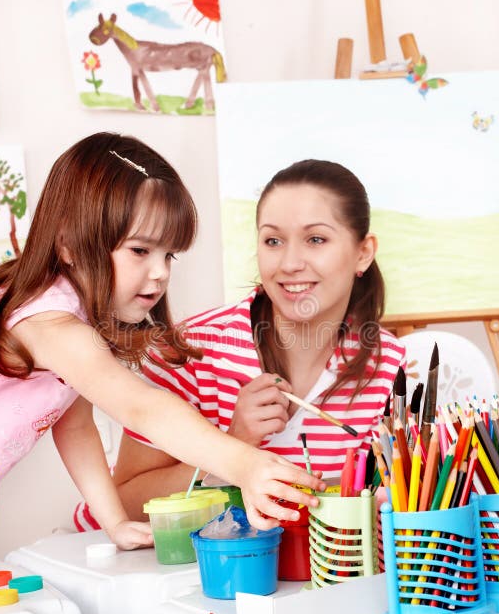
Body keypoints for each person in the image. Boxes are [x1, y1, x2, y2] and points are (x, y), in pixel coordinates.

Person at [0, 133, 323, 574]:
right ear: (71, 247)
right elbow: (141, 407)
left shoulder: (79, 323)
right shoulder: (49, 324)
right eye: (140, 251)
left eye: (168, 256)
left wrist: (113, 521)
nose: (159, 273)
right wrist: (245, 463)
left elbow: (73, 425)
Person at [74, 159, 404, 528]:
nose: (291, 263)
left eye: (315, 240)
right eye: (273, 241)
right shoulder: (189, 349)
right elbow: (125, 503)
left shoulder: (389, 365)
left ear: (363, 252)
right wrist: (233, 442)